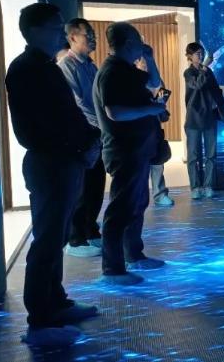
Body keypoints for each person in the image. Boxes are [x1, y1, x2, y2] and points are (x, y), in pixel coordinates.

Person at [6, 3, 100, 346]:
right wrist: (82, 145)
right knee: (47, 241)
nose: (62, 33)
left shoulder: (43, 65)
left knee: (55, 238)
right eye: (55, 28)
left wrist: (87, 142)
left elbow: (67, 114)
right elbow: (41, 126)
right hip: (51, 163)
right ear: (34, 31)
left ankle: (55, 304)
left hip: (63, 161)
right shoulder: (26, 69)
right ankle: (40, 319)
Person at [94, 22, 166, 286]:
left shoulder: (126, 69)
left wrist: (150, 58)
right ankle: (113, 269)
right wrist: (151, 110)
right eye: (138, 40)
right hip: (124, 150)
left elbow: (154, 83)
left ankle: (133, 254)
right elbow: (115, 112)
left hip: (137, 149)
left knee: (136, 204)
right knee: (120, 209)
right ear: (127, 43)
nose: (142, 44)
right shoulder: (112, 71)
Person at [58, 18, 105, 257]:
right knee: (82, 188)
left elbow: (98, 98)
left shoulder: (90, 65)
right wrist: (102, 124)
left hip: (97, 133)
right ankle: (75, 239)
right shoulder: (66, 65)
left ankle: (90, 230)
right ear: (72, 37)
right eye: (89, 35)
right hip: (83, 134)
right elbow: (78, 103)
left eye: (94, 34)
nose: (93, 38)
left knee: (96, 186)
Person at [184, 42, 224, 199]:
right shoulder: (188, 73)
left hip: (209, 116)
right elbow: (197, 85)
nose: (201, 56)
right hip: (194, 118)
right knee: (193, 156)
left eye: (201, 53)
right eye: (197, 53)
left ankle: (208, 185)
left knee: (211, 154)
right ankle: (195, 187)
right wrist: (204, 68)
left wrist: (221, 105)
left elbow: (216, 90)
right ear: (189, 56)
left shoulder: (208, 71)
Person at [135, 43, 174, 206]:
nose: (145, 64)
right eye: (142, 61)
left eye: (147, 61)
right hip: (138, 128)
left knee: (158, 162)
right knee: (140, 165)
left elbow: (162, 102)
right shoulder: (133, 80)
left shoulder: (157, 80)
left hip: (155, 126)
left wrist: (161, 108)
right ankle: (139, 195)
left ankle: (160, 194)